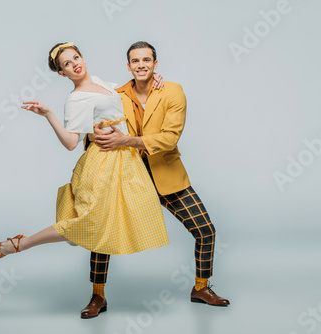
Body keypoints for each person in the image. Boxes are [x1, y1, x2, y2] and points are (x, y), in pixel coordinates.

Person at [0, 42, 169, 319]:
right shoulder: (76, 99)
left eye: (76, 57)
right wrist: (48, 114)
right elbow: (72, 142)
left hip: (126, 161)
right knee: (88, 222)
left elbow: (127, 96)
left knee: (106, 226)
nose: (75, 64)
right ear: (62, 73)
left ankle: (98, 294)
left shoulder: (99, 81)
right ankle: (20, 244)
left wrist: (151, 78)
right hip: (102, 163)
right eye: (67, 64)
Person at [89, 41, 230, 309]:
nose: (141, 65)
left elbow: (169, 138)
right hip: (125, 176)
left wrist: (125, 141)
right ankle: (98, 295)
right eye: (135, 61)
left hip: (165, 174)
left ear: (155, 64)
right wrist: (95, 134)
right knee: (102, 234)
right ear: (128, 66)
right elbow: (97, 126)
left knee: (205, 231)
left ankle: (201, 288)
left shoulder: (173, 92)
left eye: (146, 60)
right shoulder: (115, 95)